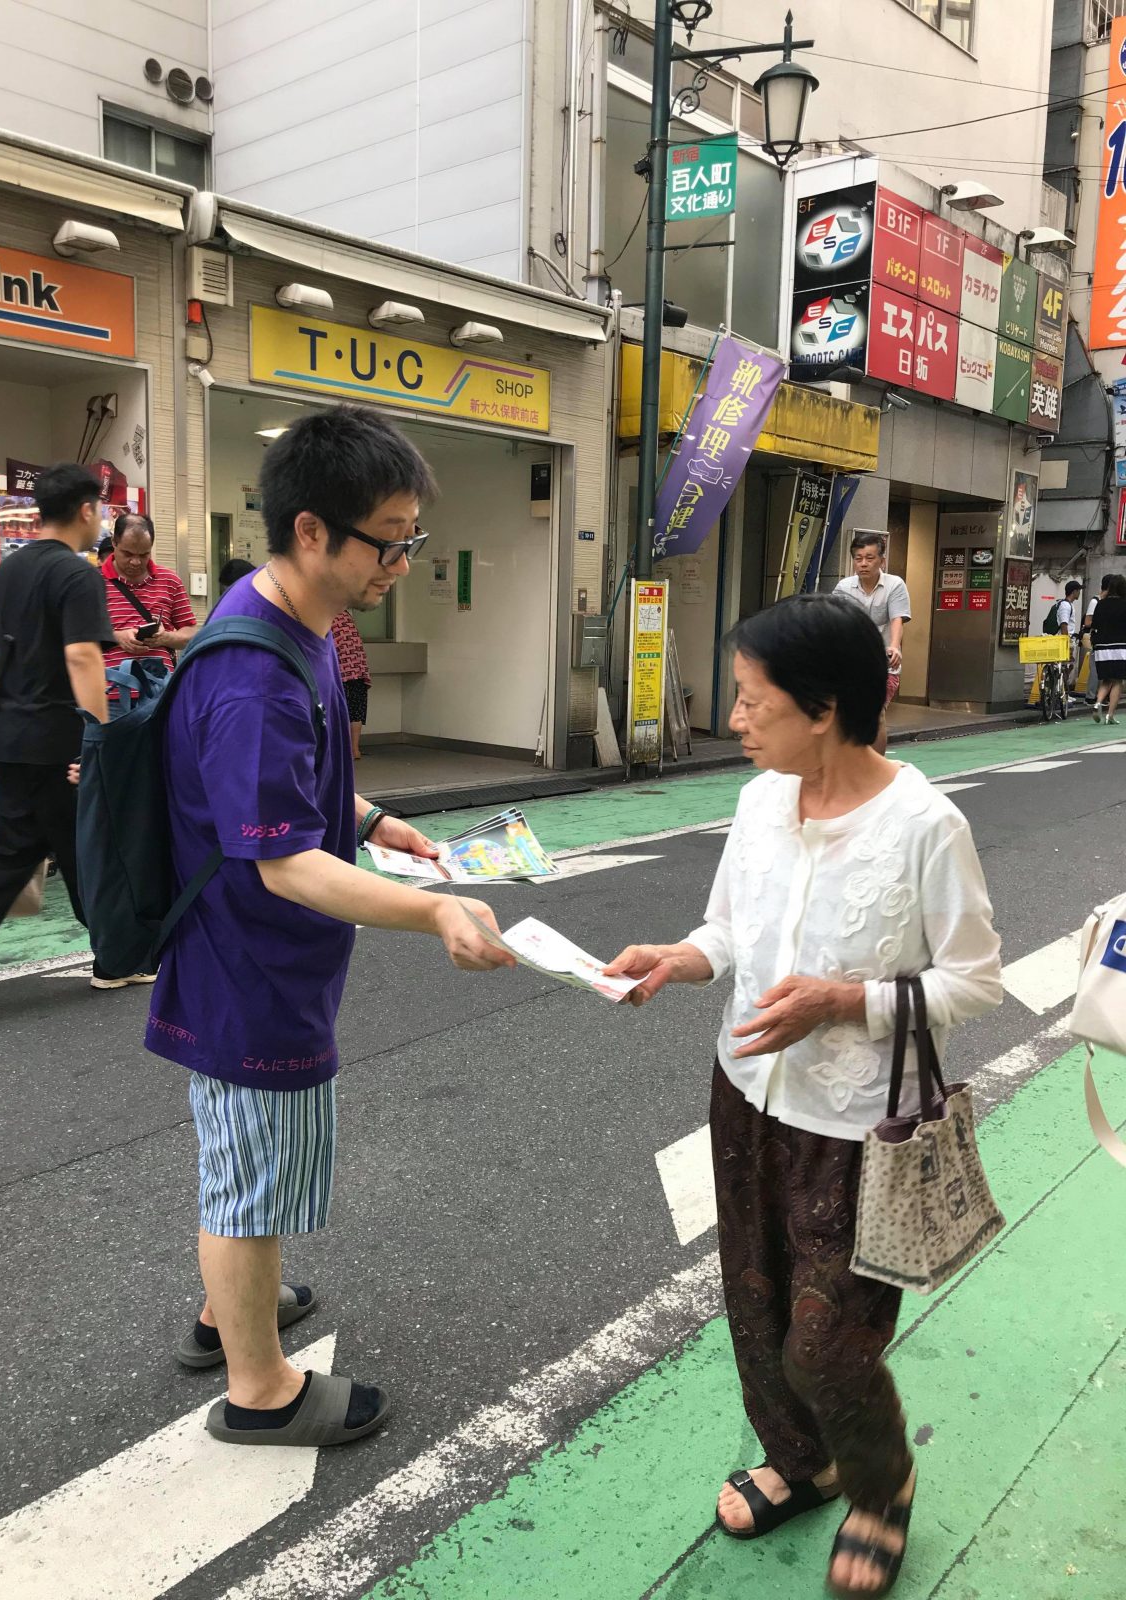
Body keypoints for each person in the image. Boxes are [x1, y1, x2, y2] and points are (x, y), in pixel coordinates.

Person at [605, 594, 1001, 1598]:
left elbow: (974, 981)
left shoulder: (925, 826)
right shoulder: (757, 804)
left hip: (860, 1128)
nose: (735, 717)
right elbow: (730, 931)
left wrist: (845, 1001)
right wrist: (679, 958)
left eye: (753, 700)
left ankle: (881, 1486)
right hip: (745, 1095)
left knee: (826, 1345)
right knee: (754, 1302)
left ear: (823, 710)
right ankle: (802, 1461)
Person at [148, 404, 515, 1448]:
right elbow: (284, 860)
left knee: (249, 1161)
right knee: (248, 1179)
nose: (402, 561)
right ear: (311, 530)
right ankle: (258, 1388)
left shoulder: (293, 621)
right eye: (388, 540)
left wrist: (375, 820)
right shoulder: (255, 675)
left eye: (411, 537)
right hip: (247, 966)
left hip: (262, 959)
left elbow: (294, 791)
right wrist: (435, 907)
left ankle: (231, 1307)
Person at [0, 465, 116, 1016]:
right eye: (101, 509)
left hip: (11, 734)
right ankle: (119, 954)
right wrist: (98, 737)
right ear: (86, 509)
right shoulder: (77, 575)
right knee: (87, 845)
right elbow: (82, 657)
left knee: (19, 847)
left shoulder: (7, 572)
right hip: (59, 737)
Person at [834, 532, 911, 754]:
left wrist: (894, 646)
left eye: (869, 558)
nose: (863, 563)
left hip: (883, 663)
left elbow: (897, 619)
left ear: (882, 561)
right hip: (851, 663)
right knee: (845, 715)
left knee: (876, 712)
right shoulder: (844, 587)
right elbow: (835, 620)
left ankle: (877, 765)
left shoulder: (895, 585)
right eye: (858, 558)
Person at [102, 513, 198, 679]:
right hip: (109, 687)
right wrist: (117, 637)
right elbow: (78, 636)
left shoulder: (170, 580)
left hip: (160, 688)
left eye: (144, 555)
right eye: (128, 554)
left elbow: (191, 634)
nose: (136, 562)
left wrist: (165, 637)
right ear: (114, 543)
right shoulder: (93, 581)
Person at [331, 608, 371, 761]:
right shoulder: (347, 616)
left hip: (342, 673)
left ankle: (341, 750)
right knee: (356, 713)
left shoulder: (328, 617)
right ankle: (355, 749)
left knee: (340, 712)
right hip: (359, 671)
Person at [1091, 573, 1126, 725]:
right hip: (1120, 647)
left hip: (1101, 648)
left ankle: (1098, 702)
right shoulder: (1124, 604)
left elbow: (1094, 625)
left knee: (1106, 679)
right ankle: (1110, 715)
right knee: (1118, 681)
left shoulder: (1101, 604)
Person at [1080, 578, 1108, 705]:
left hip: (1104, 638)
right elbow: (1087, 622)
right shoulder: (1095, 601)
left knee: (1102, 668)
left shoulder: (1106, 602)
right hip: (1095, 639)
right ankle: (1090, 697)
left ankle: (1099, 696)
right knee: (1095, 669)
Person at [1054, 579, 1082, 701]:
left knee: (1067, 667)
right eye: (1078, 590)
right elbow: (1064, 625)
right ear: (1074, 591)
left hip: (1067, 640)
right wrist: (1067, 643)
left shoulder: (1068, 605)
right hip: (1064, 640)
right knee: (1065, 667)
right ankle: (1062, 694)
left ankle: (1063, 693)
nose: (1079, 593)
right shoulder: (1065, 605)